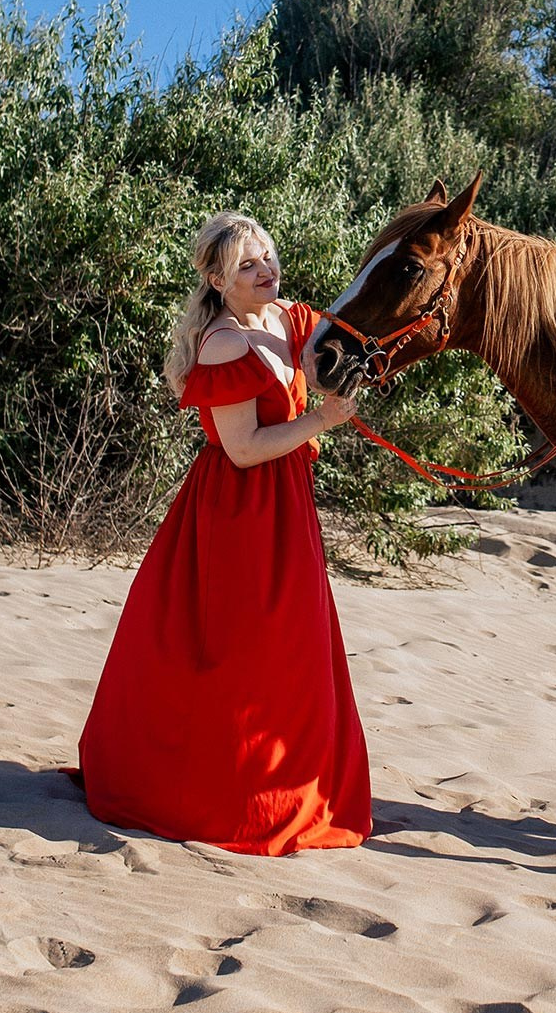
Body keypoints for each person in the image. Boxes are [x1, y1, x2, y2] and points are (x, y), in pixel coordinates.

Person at [74, 211, 371, 854]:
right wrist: (322, 420)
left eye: (266, 256)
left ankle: (297, 785)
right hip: (237, 513)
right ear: (215, 277)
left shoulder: (289, 318)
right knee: (239, 653)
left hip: (288, 506)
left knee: (292, 647)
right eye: (246, 265)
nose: (265, 269)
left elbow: (342, 350)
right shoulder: (223, 344)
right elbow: (241, 449)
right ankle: (229, 799)